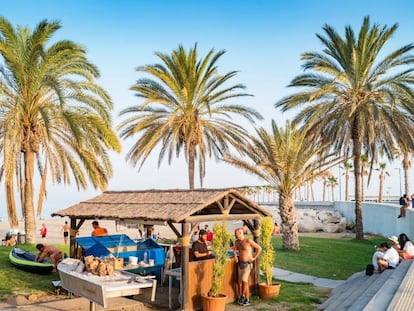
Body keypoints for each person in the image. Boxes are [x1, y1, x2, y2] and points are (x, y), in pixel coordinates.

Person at [233, 227, 262, 306]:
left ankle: (242, 296)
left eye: (236, 233)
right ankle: (246, 299)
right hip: (240, 264)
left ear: (240, 233)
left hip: (248, 264)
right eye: (235, 233)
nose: (235, 234)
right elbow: (234, 249)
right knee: (243, 282)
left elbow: (259, 248)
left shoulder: (248, 241)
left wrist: (254, 257)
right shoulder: (237, 242)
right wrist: (235, 256)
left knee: (244, 280)